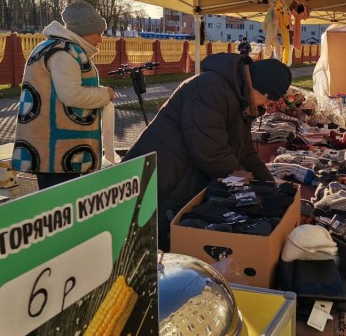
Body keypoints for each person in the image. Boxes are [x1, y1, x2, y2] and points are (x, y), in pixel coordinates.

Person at [123, 54, 292, 250]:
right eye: (267, 100)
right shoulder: (211, 88)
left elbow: (246, 152)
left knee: (160, 232)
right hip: (161, 171)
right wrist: (237, 173)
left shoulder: (239, 97)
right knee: (140, 235)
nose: (265, 106)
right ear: (262, 88)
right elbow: (210, 149)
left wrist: (270, 187)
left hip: (182, 174)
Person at [11, 1, 115, 190]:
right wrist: (104, 94)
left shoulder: (53, 47)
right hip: (59, 154)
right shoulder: (64, 53)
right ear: (84, 31)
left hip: (57, 153)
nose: (100, 39)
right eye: (98, 33)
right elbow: (71, 95)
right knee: (61, 208)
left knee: (57, 209)